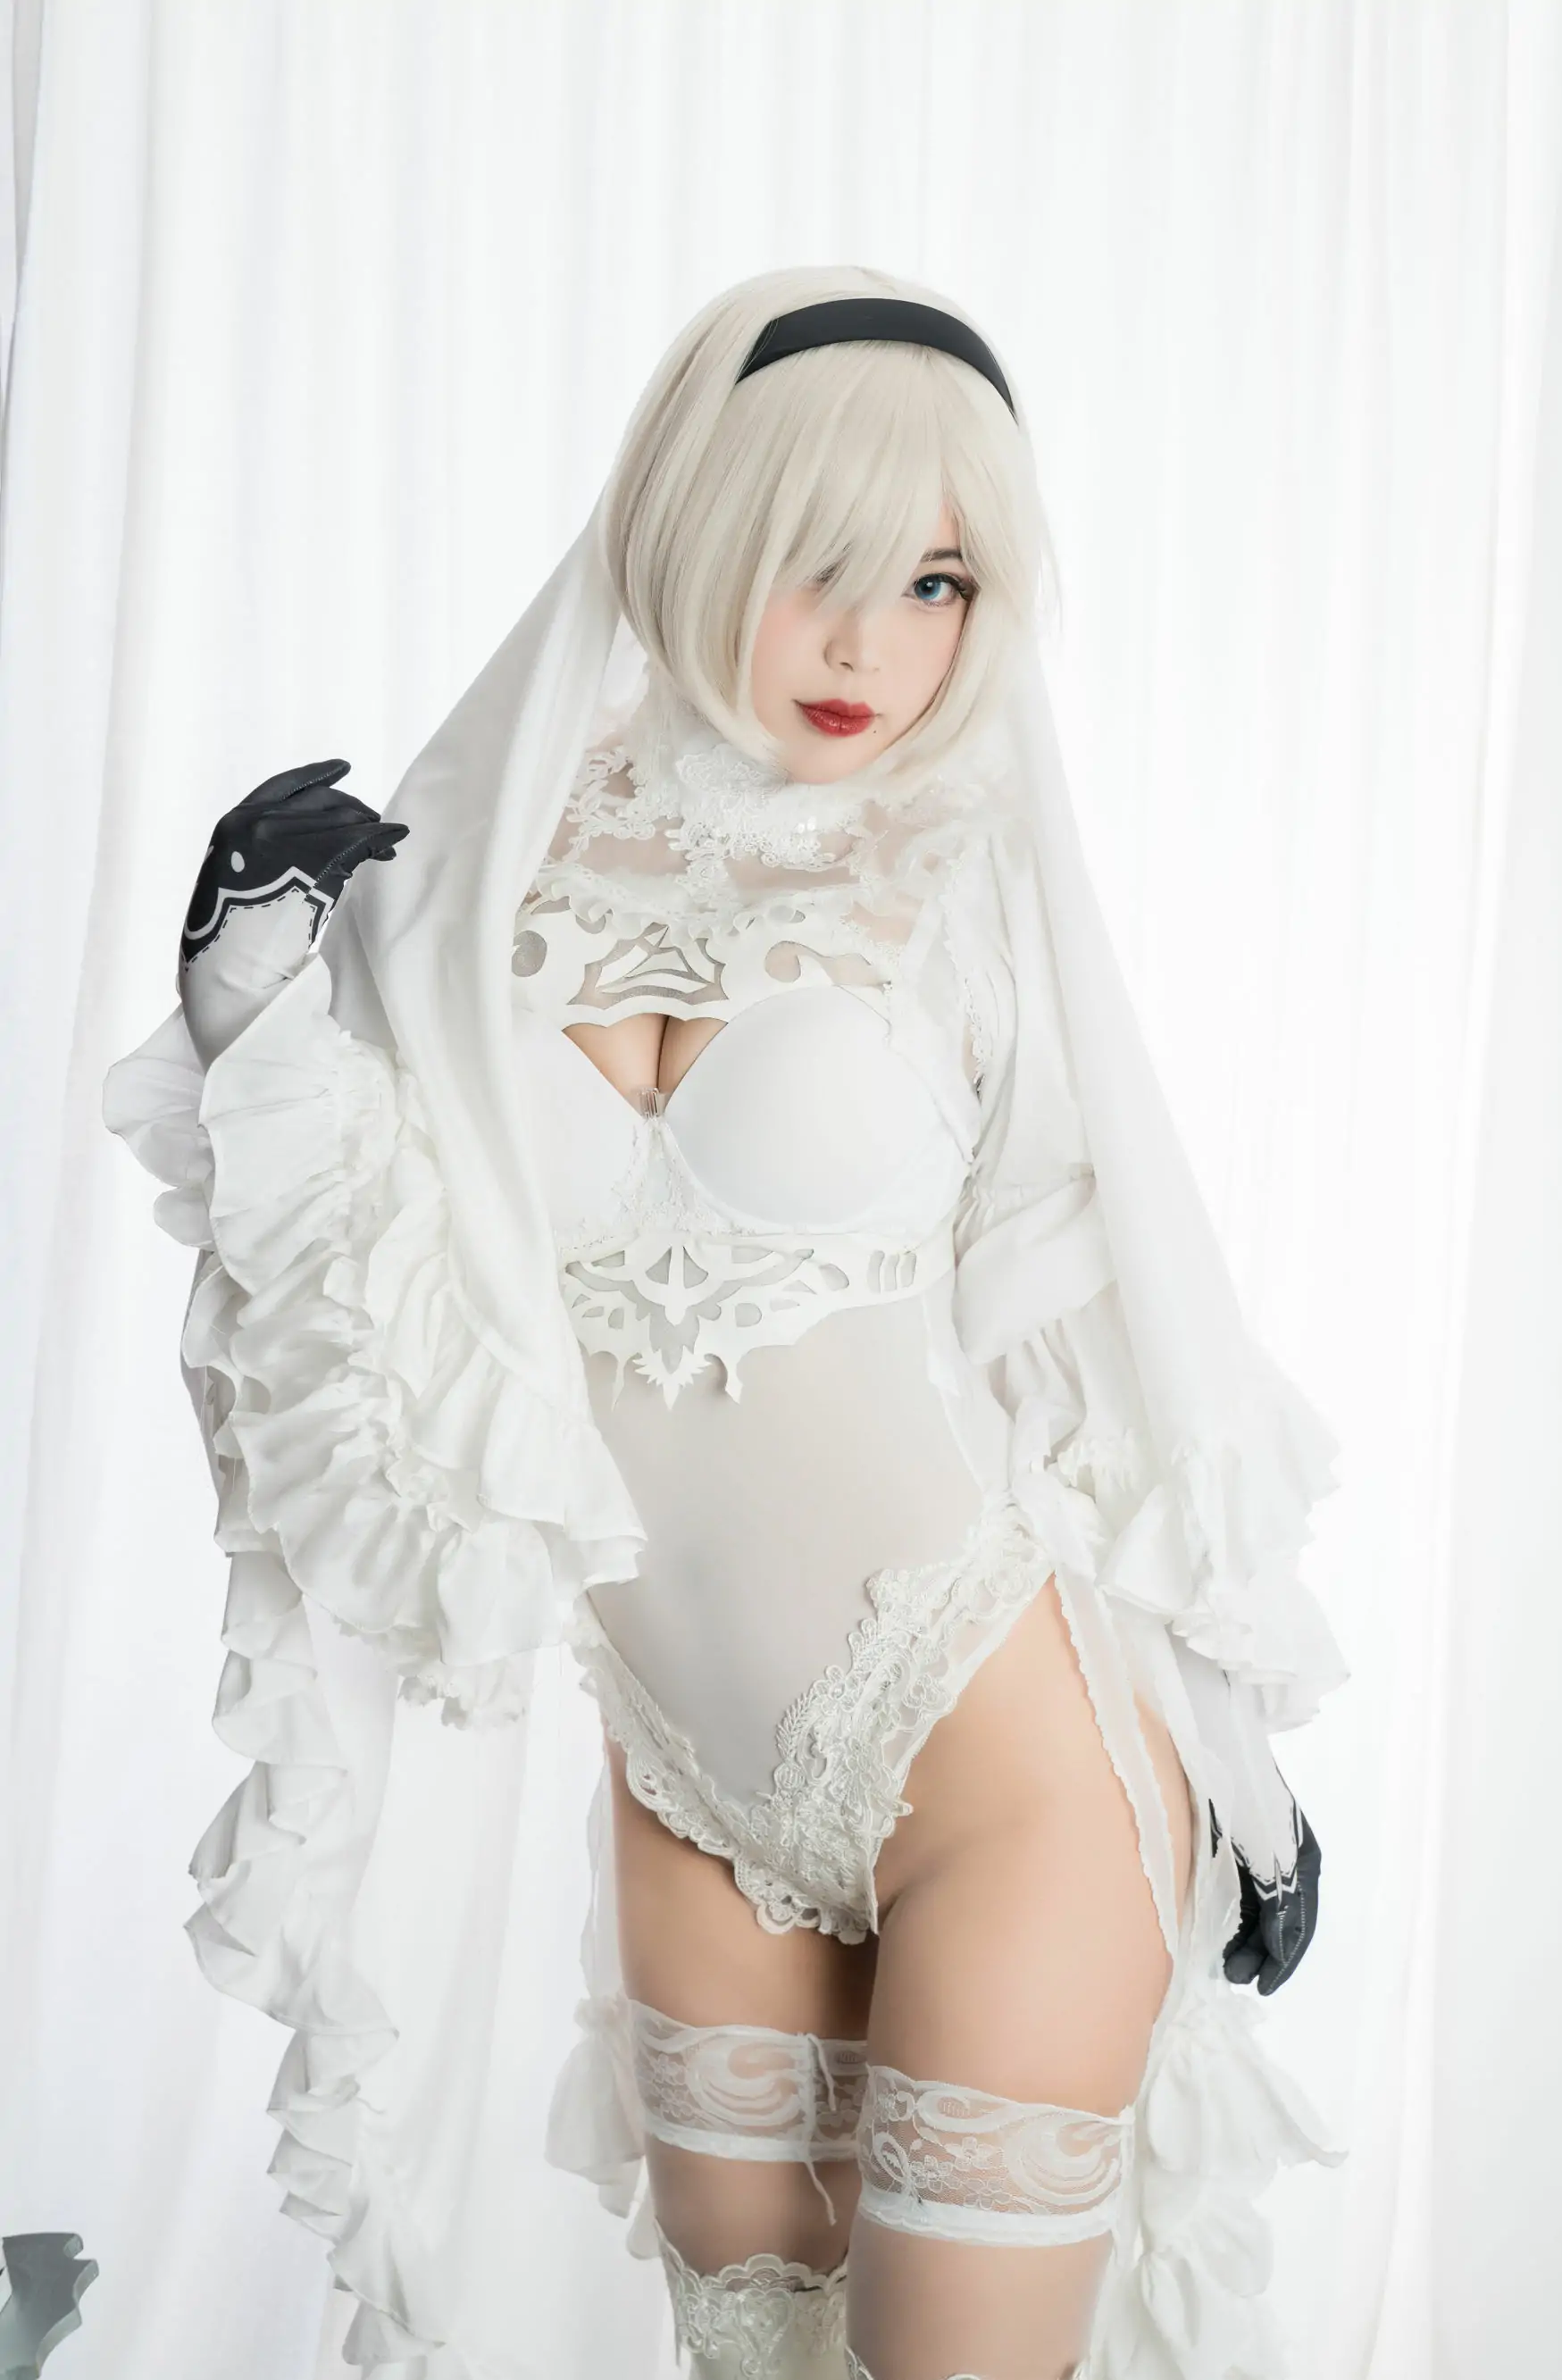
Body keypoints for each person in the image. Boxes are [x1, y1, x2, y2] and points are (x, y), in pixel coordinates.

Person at [104, 265, 1346, 2380]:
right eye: (813, 567)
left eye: (938, 583)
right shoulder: (477, 875)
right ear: (686, 527)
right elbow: (354, 1343)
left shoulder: (965, 874)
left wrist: (1235, 1751)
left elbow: (1092, 1309)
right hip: (688, 1788)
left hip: (1011, 1767)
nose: (873, 648)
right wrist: (246, 1005)